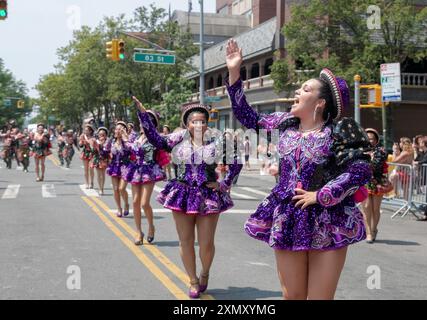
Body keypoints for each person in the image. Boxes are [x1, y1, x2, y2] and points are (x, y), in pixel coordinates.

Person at [225, 39, 371, 300]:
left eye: (304, 89)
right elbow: (248, 116)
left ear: (320, 103)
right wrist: (235, 72)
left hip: (329, 218)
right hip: (288, 215)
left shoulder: (338, 131)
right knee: (292, 297)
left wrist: (322, 194)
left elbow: (361, 169)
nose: (297, 92)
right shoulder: (285, 125)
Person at [132, 95, 242, 299]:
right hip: (182, 193)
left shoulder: (217, 141)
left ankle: (205, 272)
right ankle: (192, 280)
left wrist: (224, 184)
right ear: (187, 123)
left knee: (207, 242)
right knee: (186, 241)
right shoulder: (177, 139)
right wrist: (143, 115)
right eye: (194, 121)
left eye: (202, 121)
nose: (198, 124)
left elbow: (237, 160)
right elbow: (156, 139)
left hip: (208, 195)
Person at [124, 112, 166, 245]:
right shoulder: (137, 137)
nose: (142, 125)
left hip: (150, 170)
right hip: (136, 170)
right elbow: (132, 149)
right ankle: (138, 231)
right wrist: (125, 140)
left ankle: (151, 226)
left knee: (144, 203)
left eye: (146, 122)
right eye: (141, 122)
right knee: (135, 201)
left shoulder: (155, 138)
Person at [362, 128, 391, 243]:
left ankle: (374, 229)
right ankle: (368, 232)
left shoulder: (381, 151)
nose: (371, 141)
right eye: (368, 139)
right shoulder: (360, 150)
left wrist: (367, 160)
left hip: (377, 181)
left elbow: (376, 166)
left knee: (375, 208)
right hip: (364, 181)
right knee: (366, 207)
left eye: (373, 139)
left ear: (377, 140)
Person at [106, 121, 131, 217]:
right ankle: (119, 208)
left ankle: (126, 204)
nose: (118, 131)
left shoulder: (127, 141)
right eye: (116, 129)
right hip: (114, 167)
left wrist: (125, 139)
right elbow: (104, 150)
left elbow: (131, 150)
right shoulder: (111, 141)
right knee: (116, 189)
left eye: (120, 129)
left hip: (125, 167)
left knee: (121, 188)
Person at [92, 127, 110, 195]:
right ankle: (100, 188)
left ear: (105, 135)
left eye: (103, 134)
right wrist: (94, 145)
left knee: (103, 175)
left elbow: (108, 151)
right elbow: (93, 151)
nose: (101, 136)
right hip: (97, 159)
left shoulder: (108, 142)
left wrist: (103, 145)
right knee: (99, 175)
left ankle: (102, 188)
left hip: (104, 159)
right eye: (100, 134)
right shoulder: (96, 141)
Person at [79, 124, 96, 189]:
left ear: (90, 131)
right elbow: (80, 145)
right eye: (85, 130)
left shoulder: (93, 137)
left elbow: (94, 146)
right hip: (85, 153)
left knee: (91, 168)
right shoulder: (83, 136)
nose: (85, 131)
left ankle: (92, 182)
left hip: (92, 153)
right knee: (86, 169)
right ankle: (87, 183)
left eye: (87, 130)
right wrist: (81, 141)